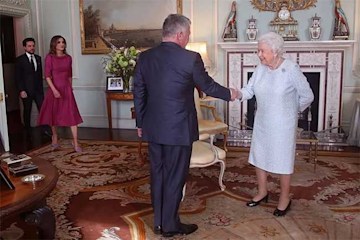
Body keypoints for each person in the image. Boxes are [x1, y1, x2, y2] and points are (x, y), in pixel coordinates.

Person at [133, 14, 238, 238]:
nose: (188, 38)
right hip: (178, 130)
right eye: (188, 34)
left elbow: (139, 92)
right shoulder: (191, 58)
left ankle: (160, 223)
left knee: (158, 175)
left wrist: (140, 123)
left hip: (153, 128)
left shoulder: (145, 57)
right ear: (180, 34)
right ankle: (170, 225)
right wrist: (231, 94)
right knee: (174, 176)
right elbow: (208, 86)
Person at [237, 32, 314, 217]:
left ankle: (284, 198)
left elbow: (308, 95)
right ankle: (262, 192)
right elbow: (249, 90)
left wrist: (292, 110)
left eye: (262, 51)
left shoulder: (291, 69)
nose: (259, 54)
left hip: (283, 125)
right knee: (259, 156)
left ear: (275, 51)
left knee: (283, 160)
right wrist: (236, 94)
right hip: (262, 121)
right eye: (258, 50)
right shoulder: (260, 69)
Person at [38, 35, 83, 152]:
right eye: (59, 42)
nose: (61, 44)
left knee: (72, 114)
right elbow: (47, 76)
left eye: (63, 42)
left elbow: (69, 75)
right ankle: (55, 136)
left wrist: (70, 88)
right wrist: (54, 90)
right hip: (54, 89)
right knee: (54, 114)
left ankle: (76, 141)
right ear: (54, 44)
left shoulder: (68, 58)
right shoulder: (49, 58)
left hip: (66, 89)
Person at [15, 38, 48, 134]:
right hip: (26, 90)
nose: (32, 48)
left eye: (33, 45)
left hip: (38, 90)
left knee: (42, 109)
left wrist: (41, 90)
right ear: (24, 47)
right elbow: (18, 77)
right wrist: (21, 90)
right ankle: (27, 130)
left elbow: (39, 75)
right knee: (27, 110)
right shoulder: (20, 60)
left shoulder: (38, 58)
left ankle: (45, 129)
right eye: (29, 46)